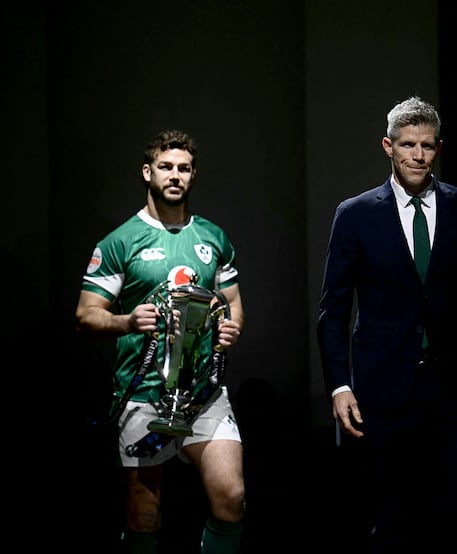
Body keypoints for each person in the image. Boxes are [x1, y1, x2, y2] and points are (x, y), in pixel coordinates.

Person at [317, 96, 457, 553]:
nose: (417, 155)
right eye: (408, 145)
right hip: (384, 391)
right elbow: (333, 308)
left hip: (454, 388)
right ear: (388, 146)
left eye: (426, 146)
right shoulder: (356, 214)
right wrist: (339, 386)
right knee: (389, 520)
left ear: (438, 148)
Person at [75, 129, 246, 553]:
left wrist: (230, 328)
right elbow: (85, 316)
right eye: (166, 167)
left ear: (192, 175)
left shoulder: (213, 238)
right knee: (144, 517)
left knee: (232, 498)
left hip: (204, 391)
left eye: (184, 169)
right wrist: (129, 321)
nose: (175, 176)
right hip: (144, 393)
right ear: (147, 172)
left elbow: (234, 306)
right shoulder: (121, 242)